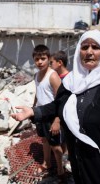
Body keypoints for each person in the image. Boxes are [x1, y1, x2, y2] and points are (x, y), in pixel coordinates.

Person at [11, 30, 100, 184]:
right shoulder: (71, 81)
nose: (89, 52)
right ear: (78, 51)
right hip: (79, 160)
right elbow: (58, 105)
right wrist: (33, 111)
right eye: (84, 47)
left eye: (95, 47)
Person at [31, 44, 65, 179]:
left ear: (49, 59)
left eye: (43, 58)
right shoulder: (36, 75)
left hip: (52, 116)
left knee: (56, 147)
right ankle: (47, 164)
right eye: (37, 59)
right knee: (45, 140)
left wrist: (57, 120)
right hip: (40, 114)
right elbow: (38, 92)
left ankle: (61, 172)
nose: (39, 62)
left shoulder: (53, 76)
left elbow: (61, 100)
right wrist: (33, 109)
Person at [50, 50, 71, 172]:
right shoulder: (56, 77)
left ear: (59, 63)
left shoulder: (69, 79)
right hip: (58, 113)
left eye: (51, 62)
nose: (50, 65)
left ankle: (65, 163)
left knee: (65, 137)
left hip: (65, 115)